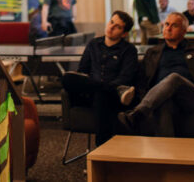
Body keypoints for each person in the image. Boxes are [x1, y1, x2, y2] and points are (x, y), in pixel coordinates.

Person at [118, 12, 194, 137]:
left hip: (192, 97)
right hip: (162, 97)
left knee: (174, 78)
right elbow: (141, 81)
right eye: (166, 24)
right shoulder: (153, 53)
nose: (168, 28)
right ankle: (167, 153)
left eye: (174, 25)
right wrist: (144, 97)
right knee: (163, 105)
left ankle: (137, 114)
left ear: (184, 31)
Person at [59, 11, 138, 145]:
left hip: (112, 97)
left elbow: (125, 77)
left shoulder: (129, 50)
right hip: (91, 93)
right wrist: (99, 85)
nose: (111, 27)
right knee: (67, 78)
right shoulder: (93, 44)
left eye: (117, 26)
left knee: (102, 95)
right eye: (111, 22)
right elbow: (82, 71)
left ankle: (101, 150)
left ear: (124, 33)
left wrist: (105, 88)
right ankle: (106, 88)